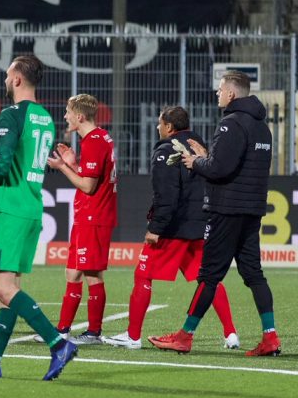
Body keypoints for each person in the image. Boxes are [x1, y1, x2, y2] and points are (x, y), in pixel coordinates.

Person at [148, 71, 281, 356]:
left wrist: (195, 161)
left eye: (220, 89)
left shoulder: (230, 124)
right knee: (253, 273)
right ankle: (270, 337)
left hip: (226, 209)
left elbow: (219, 169)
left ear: (232, 93)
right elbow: (236, 165)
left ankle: (184, 336)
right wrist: (207, 155)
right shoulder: (262, 127)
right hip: (252, 208)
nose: (217, 93)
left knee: (208, 276)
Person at [0, 55, 79, 380]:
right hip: (31, 207)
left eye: (7, 75)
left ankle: (58, 343)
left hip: (12, 209)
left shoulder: (11, 115)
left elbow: (1, 166)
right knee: (10, 290)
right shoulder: (45, 117)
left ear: (17, 78)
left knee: (0, 287)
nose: (5, 80)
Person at [101, 106, 239, 350]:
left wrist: (156, 227)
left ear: (169, 127)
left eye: (159, 123)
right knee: (209, 279)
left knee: (143, 274)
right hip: (201, 225)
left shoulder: (165, 151)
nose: (157, 128)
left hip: (175, 228)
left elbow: (167, 195)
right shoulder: (201, 146)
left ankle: (132, 337)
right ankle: (231, 334)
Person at [45, 93, 118, 345]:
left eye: (67, 112)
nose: (65, 116)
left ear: (79, 116)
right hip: (91, 215)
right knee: (76, 272)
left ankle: (90, 332)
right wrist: (73, 163)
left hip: (93, 216)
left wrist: (62, 168)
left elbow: (87, 186)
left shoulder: (94, 142)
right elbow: (90, 179)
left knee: (86, 275)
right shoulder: (100, 138)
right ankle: (65, 330)